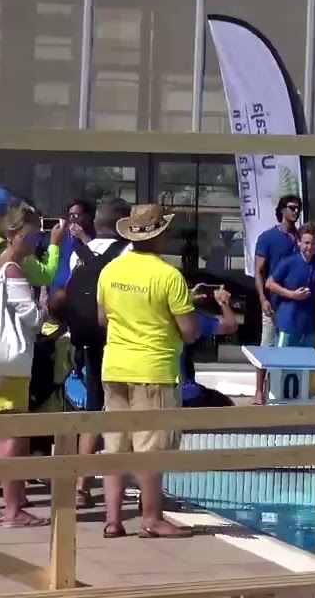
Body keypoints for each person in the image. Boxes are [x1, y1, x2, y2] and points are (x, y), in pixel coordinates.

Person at [97, 204, 201, 538]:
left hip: (114, 366)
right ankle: (151, 518)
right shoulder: (168, 276)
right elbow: (189, 330)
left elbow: (103, 319)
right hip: (153, 368)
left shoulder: (110, 270)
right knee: (150, 449)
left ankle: (112, 520)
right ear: (161, 235)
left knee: (115, 447)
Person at [62, 197, 132, 507]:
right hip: (120, 341)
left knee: (93, 410)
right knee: (124, 413)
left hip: (87, 341)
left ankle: (80, 485)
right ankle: (130, 487)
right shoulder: (128, 252)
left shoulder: (78, 254)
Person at [0, 202, 48, 528]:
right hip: (11, 362)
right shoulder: (13, 269)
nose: (36, 244)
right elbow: (30, 319)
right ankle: (13, 510)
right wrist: (43, 305)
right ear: (15, 233)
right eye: (32, 237)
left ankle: (14, 501)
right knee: (12, 437)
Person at [252, 193, 300, 404]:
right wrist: (263, 298)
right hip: (273, 301)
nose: (296, 211)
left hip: (296, 304)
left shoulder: (301, 238)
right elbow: (259, 271)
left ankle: (280, 391)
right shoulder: (267, 238)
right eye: (291, 207)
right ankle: (259, 391)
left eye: (298, 208)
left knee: (288, 349)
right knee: (267, 345)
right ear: (282, 210)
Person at [266, 224, 315, 348]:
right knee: (282, 362)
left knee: (306, 364)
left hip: (309, 324)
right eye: (306, 243)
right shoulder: (289, 262)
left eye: (313, 243)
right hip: (288, 322)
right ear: (299, 243)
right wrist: (292, 294)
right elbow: (270, 283)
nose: (310, 247)